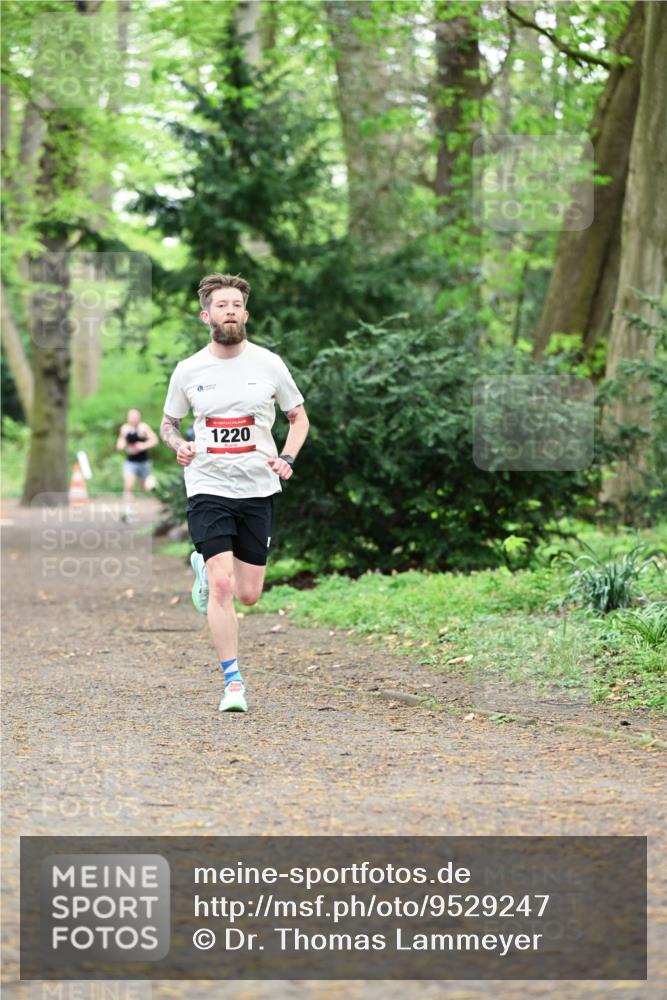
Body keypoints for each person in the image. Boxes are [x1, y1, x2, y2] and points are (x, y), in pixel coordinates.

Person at [160, 273, 309, 713]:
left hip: (257, 488)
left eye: (236, 305)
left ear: (245, 314)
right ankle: (233, 682)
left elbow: (298, 418)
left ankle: (206, 570)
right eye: (221, 305)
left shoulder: (269, 364)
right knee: (223, 586)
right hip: (207, 486)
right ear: (206, 315)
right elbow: (168, 424)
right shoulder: (189, 370)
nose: (229, 311)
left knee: (249, 594)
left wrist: (288, 458)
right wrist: (179, 445)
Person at [116, 409, 159, 512]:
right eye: (131, 416)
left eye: (135, 416)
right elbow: (120, 442)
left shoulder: (143, 427)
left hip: (144, 462)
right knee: (128, 485)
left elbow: (155, 440)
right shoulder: (125, 428)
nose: (133, 418)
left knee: (145, 488)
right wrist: (121, 445)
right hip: (130, 462)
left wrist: (143, 445)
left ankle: (152, 482)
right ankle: (127, 510)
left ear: (139, 417)